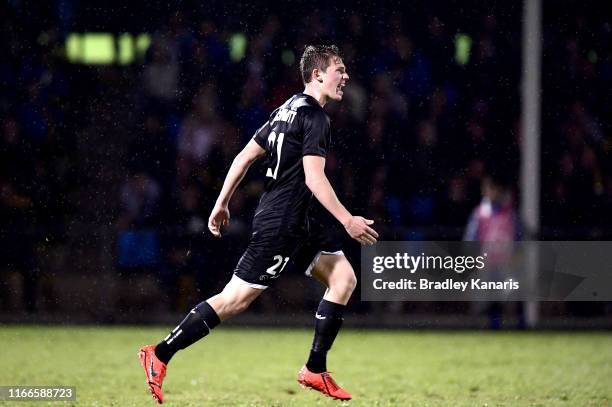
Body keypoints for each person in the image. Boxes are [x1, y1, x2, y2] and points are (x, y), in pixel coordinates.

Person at [138, 44, 379, 403]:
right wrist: (348, 220)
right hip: (281, 224)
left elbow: (245, 155)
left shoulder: (286, 110)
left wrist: (222, 202)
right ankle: (159, 354)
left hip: (300, 222)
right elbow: (315, 178)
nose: (345, 77)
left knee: (343, 278)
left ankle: (315, 369)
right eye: (339, 70)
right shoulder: (315, 118)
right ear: (317, 75)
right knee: (234, 300)